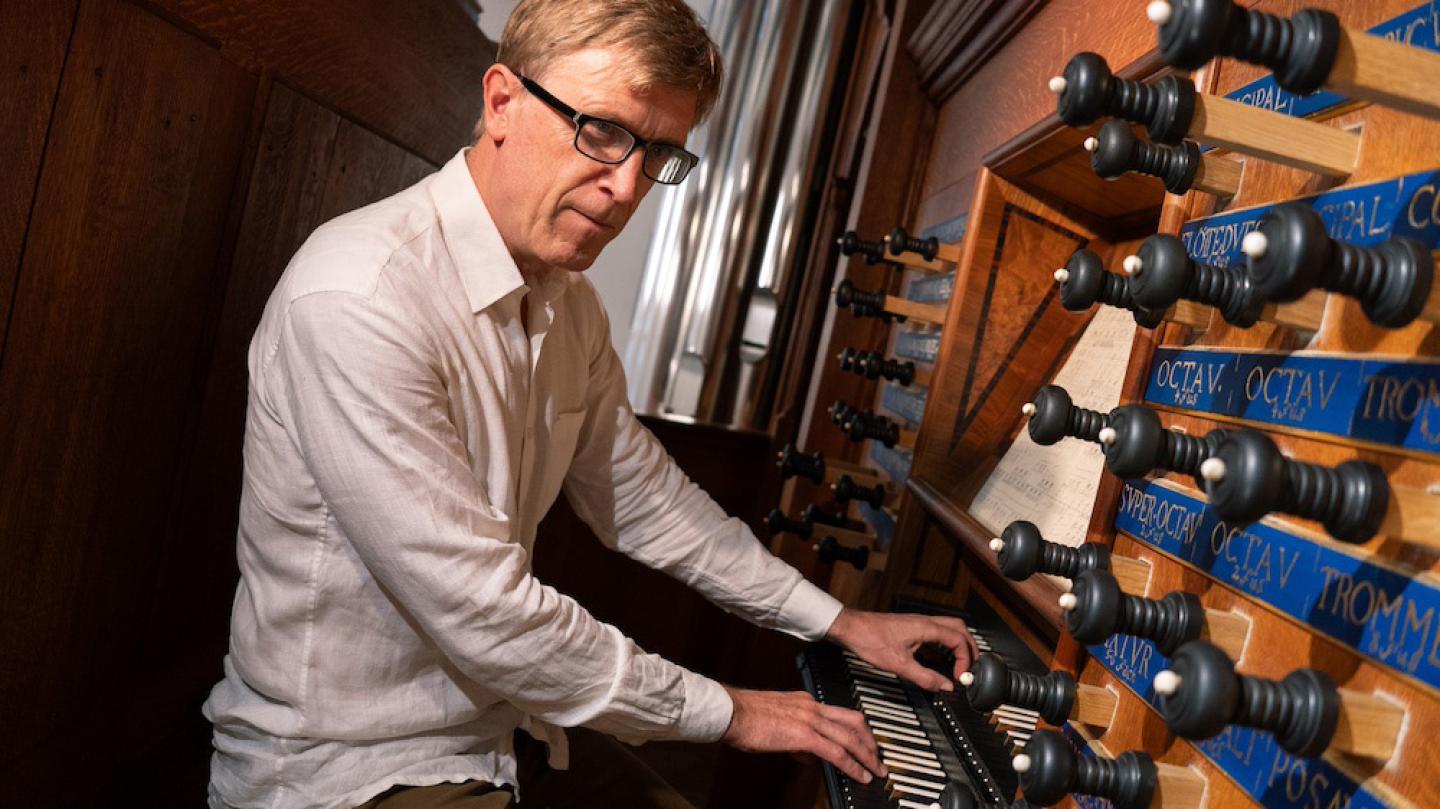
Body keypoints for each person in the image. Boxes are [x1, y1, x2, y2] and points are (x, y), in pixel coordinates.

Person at [203, 1, 978, 807]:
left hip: (503, 731)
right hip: (347, 769)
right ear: (501, 100)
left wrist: (837, 621)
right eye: (604, 131)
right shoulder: (360, 297)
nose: (627, 185)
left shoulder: (569, 304)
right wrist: (734, 711)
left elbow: (645, 500)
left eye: (659, 154)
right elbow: (489, 615)